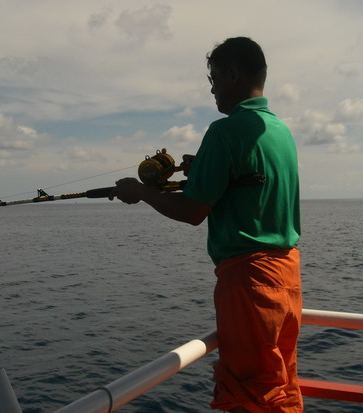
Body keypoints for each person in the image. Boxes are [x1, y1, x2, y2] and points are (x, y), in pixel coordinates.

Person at [109, 36, 302, 413]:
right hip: (287, 277)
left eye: (213, 79)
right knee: (280, 381)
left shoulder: (225, 131)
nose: (212, 89)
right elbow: (247, 185)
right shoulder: (279, 130)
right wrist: (204, 169)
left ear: (232, 75)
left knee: (250, 390)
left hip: (249, 279)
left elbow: (193, 210)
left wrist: (141, 192)